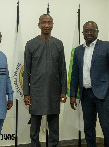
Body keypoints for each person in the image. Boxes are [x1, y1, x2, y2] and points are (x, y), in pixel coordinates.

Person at [70, 21, 109, 147]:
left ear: (97, 31)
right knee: (88, 127)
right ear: (83, 33)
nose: (89, 33)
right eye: (86, 31)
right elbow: (75, 75)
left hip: (103, 94)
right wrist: (72, 94)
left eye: (92, 30)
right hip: (85, 95)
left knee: (106, 127)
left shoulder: (107, 46)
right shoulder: (78, 50)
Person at [23, 14, 67, 147]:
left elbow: (62, 70)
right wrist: (26, 93)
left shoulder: (58, 44)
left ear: (53, 25)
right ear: (39, 25)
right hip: (36, 92)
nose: (46, 25)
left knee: (54, 126)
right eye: (44, 22)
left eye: (49, 22)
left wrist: (63, 91)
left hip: (54, 91)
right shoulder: (31, 44)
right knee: (35, 126)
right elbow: (27, 71)